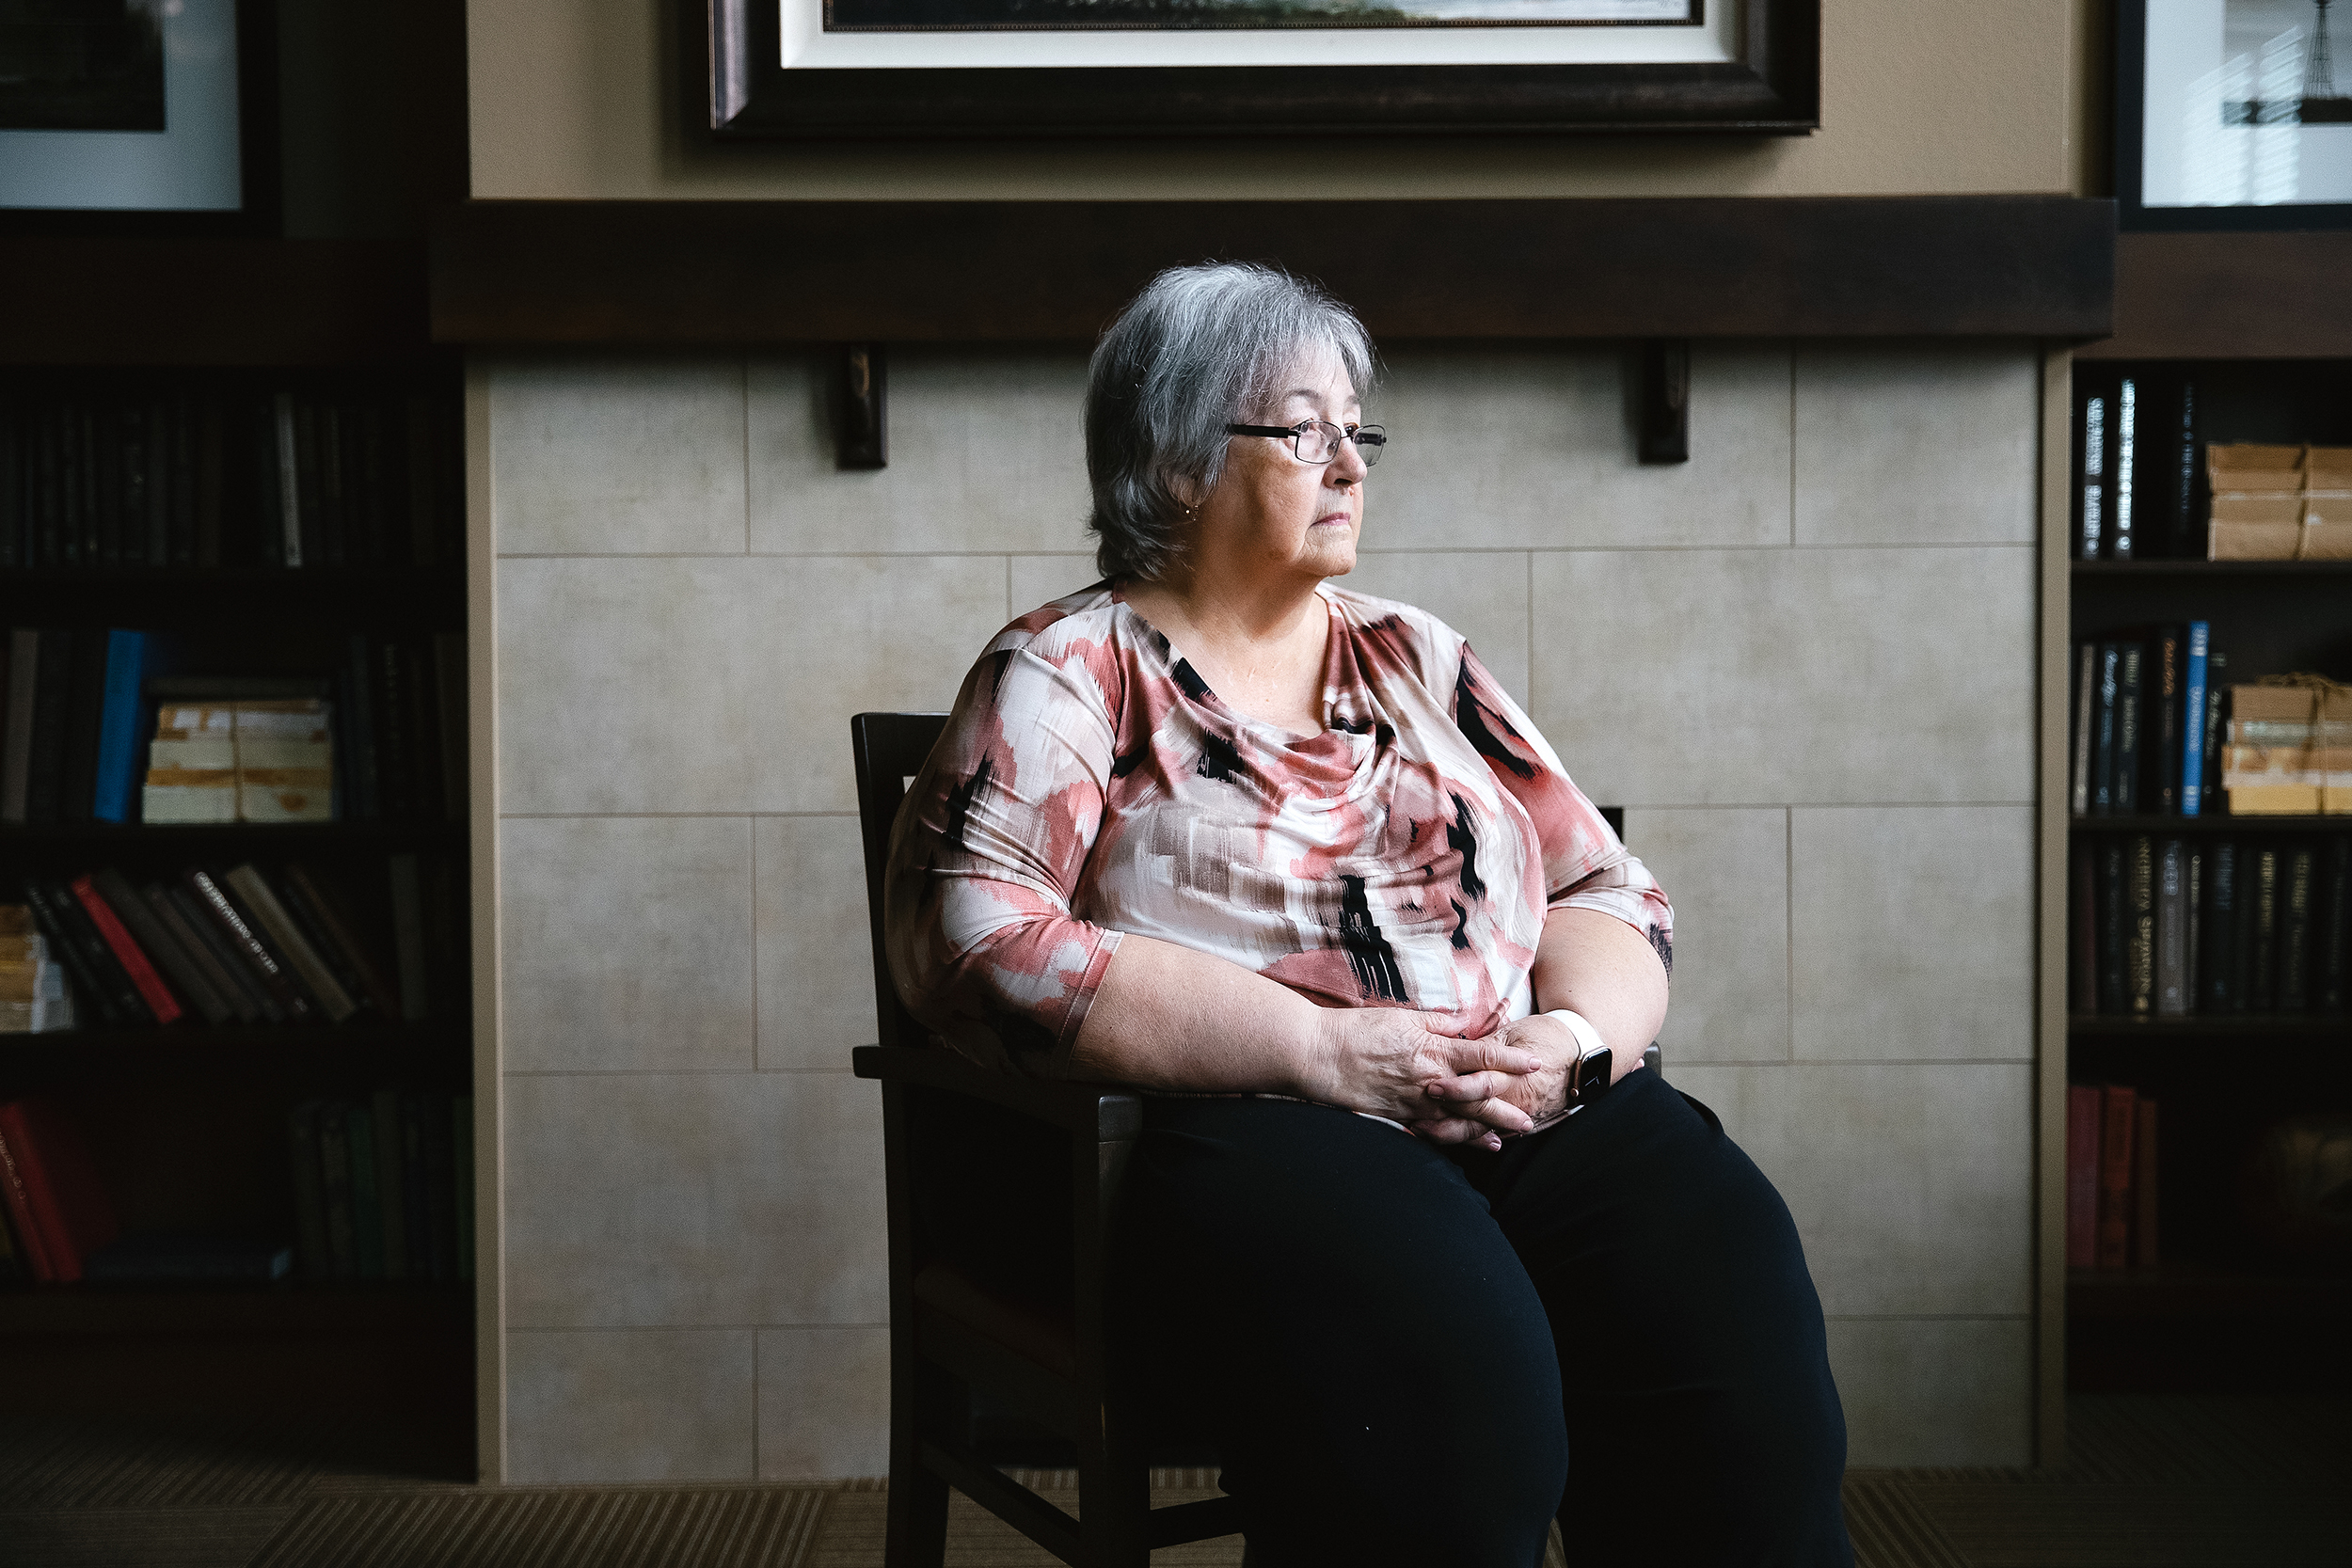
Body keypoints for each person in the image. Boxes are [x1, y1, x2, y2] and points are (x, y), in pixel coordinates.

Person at [883, 261, 1851, 1568]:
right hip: (1240, 1135)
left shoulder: (1418, 655)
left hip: (1512, 1106)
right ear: (1174, 464)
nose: (1348, 463)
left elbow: (1605, 884)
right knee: (1451, 1396)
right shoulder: (1070, 667)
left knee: (1722, 1291)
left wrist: (1571, 1043)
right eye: (1300, 429)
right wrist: (1321, 1052)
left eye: (1357, 431)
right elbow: (976, 943)